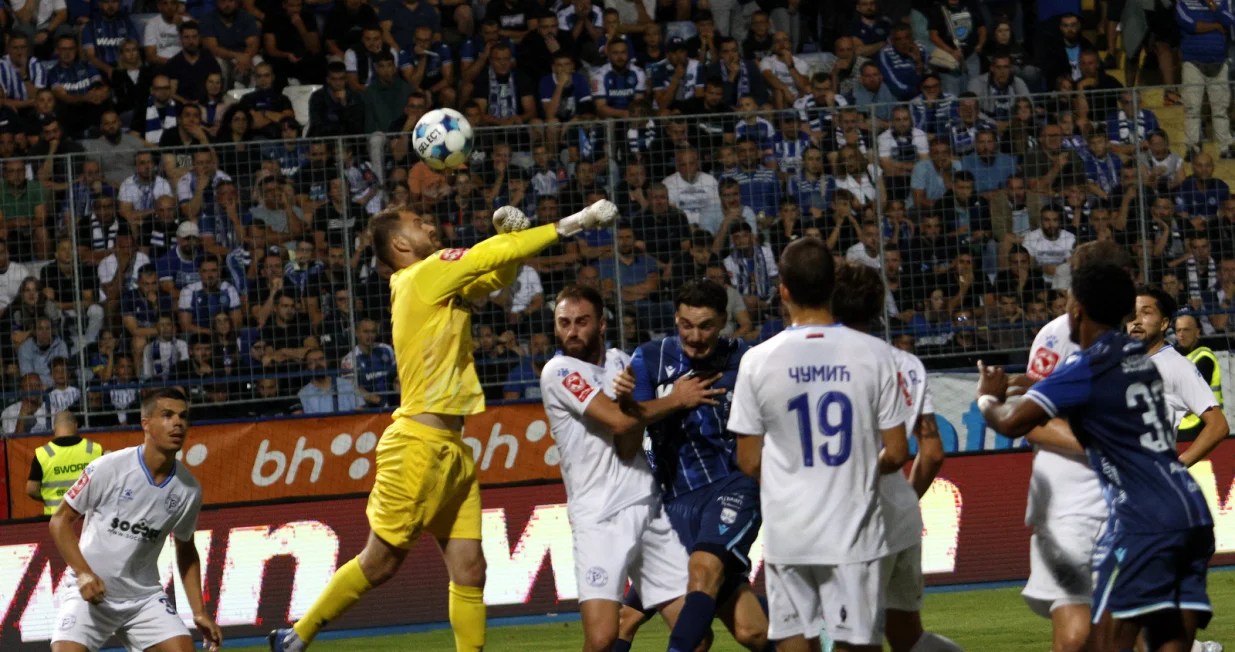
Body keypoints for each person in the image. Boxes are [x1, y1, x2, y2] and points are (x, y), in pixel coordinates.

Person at [269, 199, 618, 651]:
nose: (430, 225)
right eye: (419, 222)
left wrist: (508, 244)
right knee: (380, 563)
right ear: (399, 243)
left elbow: (494, 277)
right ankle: (297, 638)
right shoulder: (422, 275)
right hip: (417, 446)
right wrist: (574, 221)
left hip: (450, 448)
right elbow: (485, 258)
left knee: (471, 570)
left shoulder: (434, 285)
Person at [977, 261, 1215, 652]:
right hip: (1191, 509)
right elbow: (1084, 391)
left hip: (1144, 520)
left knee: (1103, 644)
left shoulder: (1089, 365)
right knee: (1167, 642)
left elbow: (1010, 423)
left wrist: (987, 395)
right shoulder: (1143, 360)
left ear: (1076, 310)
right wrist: (1032, 383)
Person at [727, 239, 909, 652]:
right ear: (832, 288)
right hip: (852, 530)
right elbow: (897, 453)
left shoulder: (756, 361)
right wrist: (854, 469)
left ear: (784, 291)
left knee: (793, 642)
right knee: (858, 645)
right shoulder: (877, 354)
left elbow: (748, 459)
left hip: (788, 531)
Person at [611, 280, 770, 652]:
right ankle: (808, 635)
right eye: (686, 325)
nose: (695, 336)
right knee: (751, 632)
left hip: (732, 487)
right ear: (675, 319)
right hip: (672, 505)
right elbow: (627, 441)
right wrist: (675, 401)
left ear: (724, 323)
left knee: (702, 571)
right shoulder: (650, 358)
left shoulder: (749, 360)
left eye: (706, 326)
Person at [540, 284, 696, 650]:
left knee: (694, 634)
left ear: (602, 323)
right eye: (564, 323)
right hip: (599, 515)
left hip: (646, 504)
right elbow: (619, 421)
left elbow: (628, 440)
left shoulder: (620, 362)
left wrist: (633, 403)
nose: (572, 331)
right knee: (602, 638)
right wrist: (676, 399)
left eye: (581, 322)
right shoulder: (558, 371)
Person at [819, 262, 962, 652]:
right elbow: (931, 454)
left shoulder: (820, 365)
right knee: (906, 635)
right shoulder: (906, 363)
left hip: (852, 516)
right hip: (899, 511)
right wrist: (905, 501)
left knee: (853, 642)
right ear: (879, 306)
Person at [48, 388, 222, 652]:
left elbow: (186, 549)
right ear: (146, 424)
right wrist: (83, 573)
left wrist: (199, 611)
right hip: (90, 594)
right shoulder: (109, 467)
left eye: (183, 417)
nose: (178, 423)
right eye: (167, 415)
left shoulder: (189, 489)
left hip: (143, 599)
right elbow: (59, 521)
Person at [1125, 287, 1228, 462]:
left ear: (1164, 324)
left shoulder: (1175, 366)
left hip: (1150, 480)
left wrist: (1177, 466)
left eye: (1146, 313)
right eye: (1131, 314)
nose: (1136, 320)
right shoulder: (1120, 361)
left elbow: (1218, 425)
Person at [27, 411, 103, 515]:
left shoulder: (43, 454)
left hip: (55, 518)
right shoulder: (94, 449)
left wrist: (48, 497)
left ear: (54, 428)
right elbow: (106, 483)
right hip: (88, 517)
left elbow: (31, 489)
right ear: (76, 425)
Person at [1174, 313, 1223, 442]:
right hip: (1182, 427)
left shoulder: (1203, 358)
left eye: (1186, 330)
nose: (1181, 334)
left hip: (1201, 427)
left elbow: (1192, 401)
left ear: (1197, 332)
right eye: (1178, 330)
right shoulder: (1177, 358)